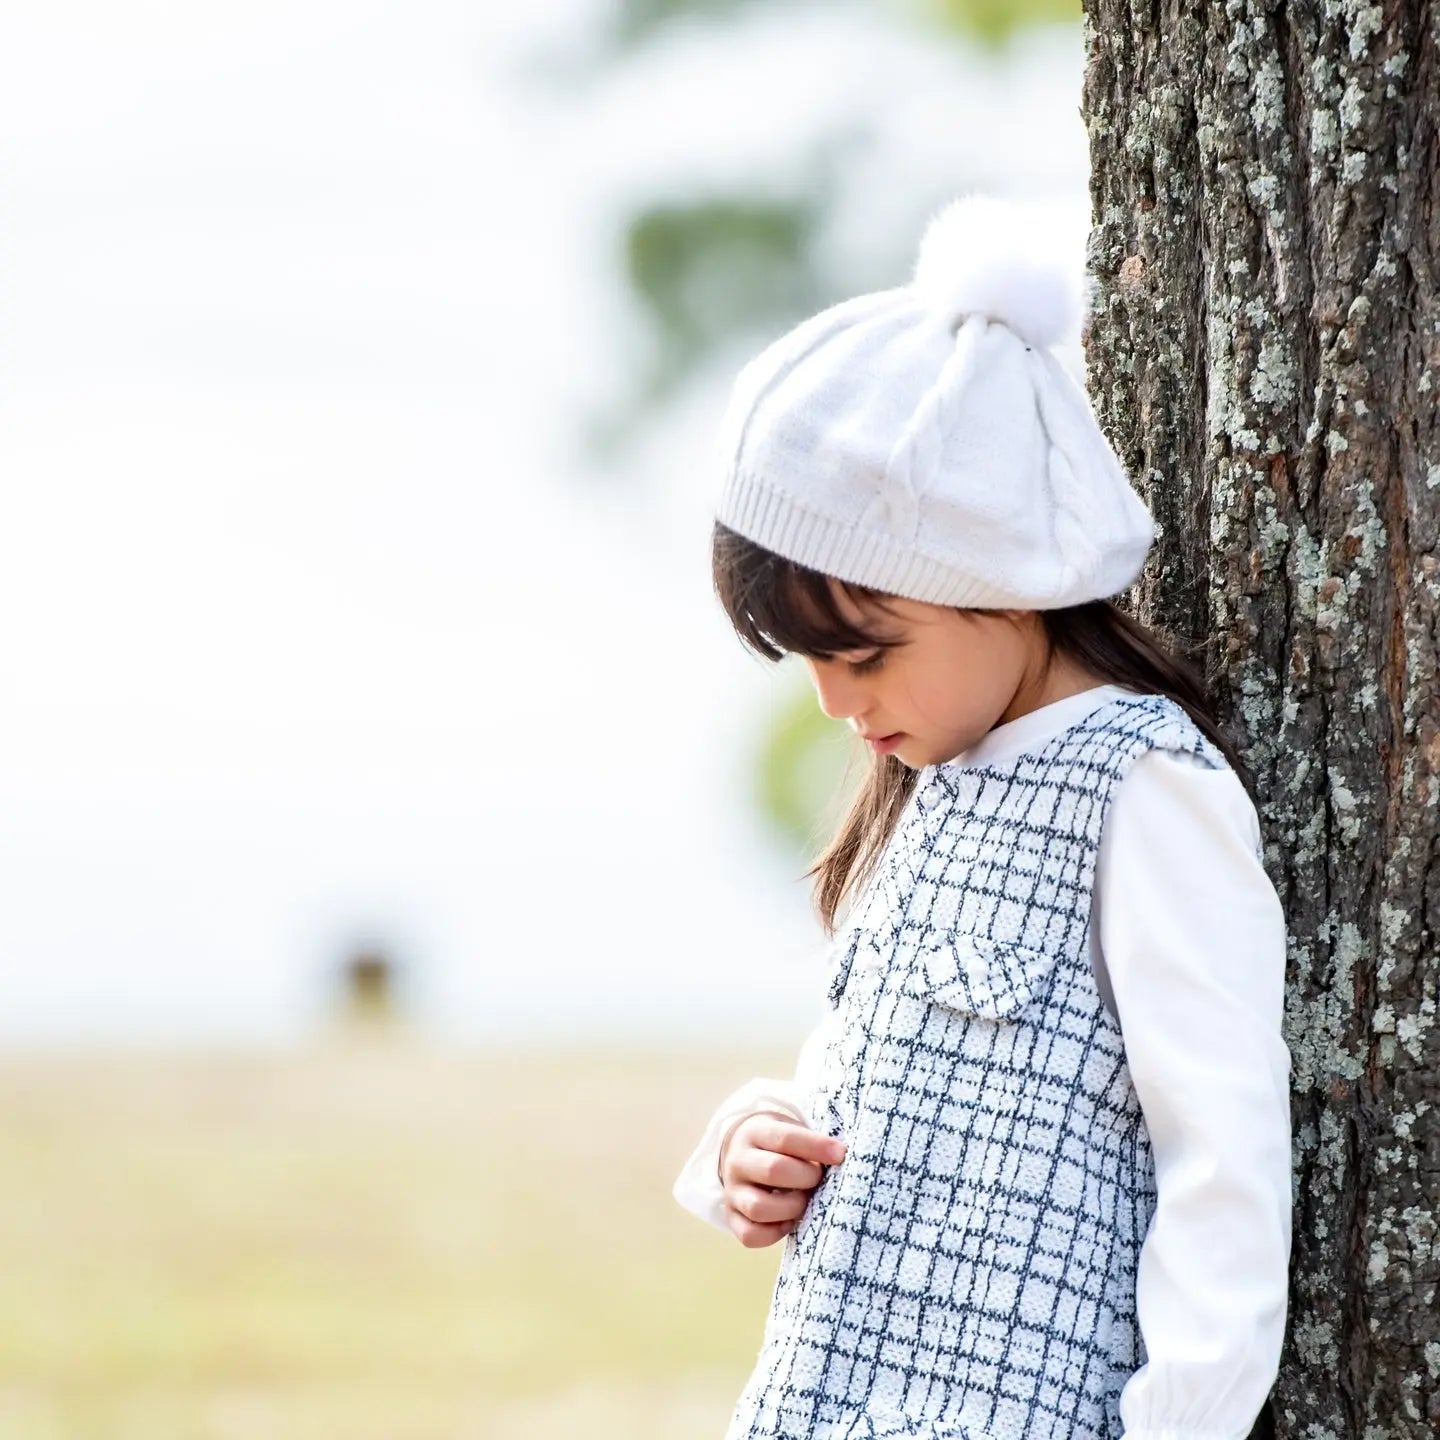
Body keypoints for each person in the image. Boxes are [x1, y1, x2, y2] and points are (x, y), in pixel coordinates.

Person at [670, 193, 1293, 1440]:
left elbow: (1222, 1159)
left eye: (866, 653)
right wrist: (747, 1146)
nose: (840, 704)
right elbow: (869, 1080)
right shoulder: (931, 779)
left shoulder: (1140, 787)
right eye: (806, 662)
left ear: (1003, 586)